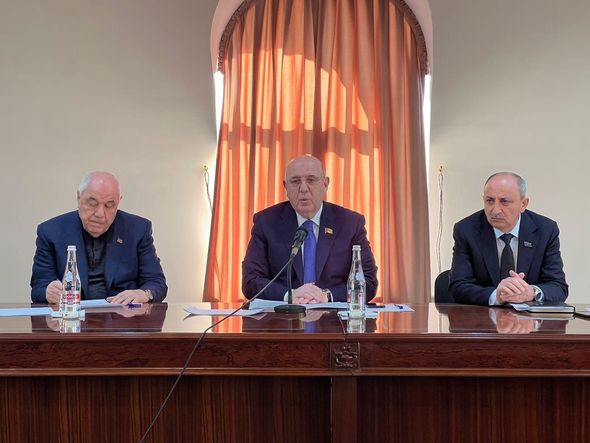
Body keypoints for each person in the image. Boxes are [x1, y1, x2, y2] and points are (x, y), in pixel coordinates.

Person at [242, 155, 378, 303]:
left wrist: (327, 296)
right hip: (284, 314)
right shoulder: (267, 222)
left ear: (325, 184)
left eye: (311, 180)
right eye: (295, 181)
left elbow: (368, 282)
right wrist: (289, 295)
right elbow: (251, 281)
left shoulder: (350, 223)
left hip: (334, 315)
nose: (303, 189)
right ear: (285, 187)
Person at [30, 171, 167, 305]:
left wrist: (144, 294)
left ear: (118, 202)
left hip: (123, 315)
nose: (100, 214)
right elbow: (38, 288)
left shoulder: (138, 229)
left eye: (109, 205)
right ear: (78, 197)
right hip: (72, 314)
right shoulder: (51, 232)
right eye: (92, 203)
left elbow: (156, 283)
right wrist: (48, 292)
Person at [449, 172, 568, 306]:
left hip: (530, 318)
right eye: (489, 201)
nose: (495, 210)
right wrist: (496, 295)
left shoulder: (545, 230)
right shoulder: (466, 230)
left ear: (523, 204)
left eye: (504, 201)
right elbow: (458, 287)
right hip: (482, 316)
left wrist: (531, 292)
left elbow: (558, 287)